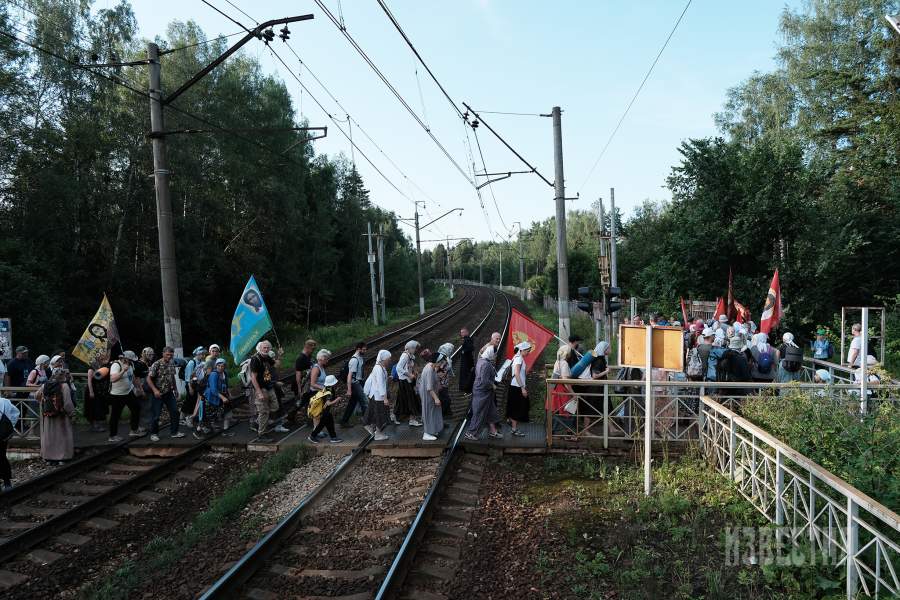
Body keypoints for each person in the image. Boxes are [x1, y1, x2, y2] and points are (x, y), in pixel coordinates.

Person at [37, 366, 76, 463]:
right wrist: (72, 413)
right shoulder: (64, 386)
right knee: (61, 436)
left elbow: (36, 395)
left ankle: (49, 457)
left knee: (49, 436)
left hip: (48, 416)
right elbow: (67, 403)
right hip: (61, 416)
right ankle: (62, 457)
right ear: (62, 376)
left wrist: (44, 403)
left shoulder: (45, 385)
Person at [146, 346, 184, 442]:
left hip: (169, 392)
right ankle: (154, 433)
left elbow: (172, 377)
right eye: (167, 354)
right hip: (158, 393)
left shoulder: (171, 363)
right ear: (163, 354)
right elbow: (148, 379)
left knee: (175, 411)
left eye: (171, 355)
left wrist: (175, 390)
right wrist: (155, 390)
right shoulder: (157, 364)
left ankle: (174, 432)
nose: (169, 356)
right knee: (156, 415)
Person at [464, 345, 501, 441]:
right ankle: (471, 433)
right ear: (491, 353)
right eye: (495, 354)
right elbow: (484, 380)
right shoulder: (486, 364)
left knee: (490, 410)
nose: (495, 356)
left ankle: (493, 431)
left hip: (483, 391)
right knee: (479, 412)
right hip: (482, 392)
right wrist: (493, 385)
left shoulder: (481, 360)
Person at [249, 340, 283, 442]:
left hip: (268, 386)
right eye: (264, 347)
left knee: (275, 406)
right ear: (259, 349)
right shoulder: (256, 359)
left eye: (268, 347)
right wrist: (259, 392)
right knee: (264, 412)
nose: (266, 349)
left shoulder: (267, 357)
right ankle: (261, 435)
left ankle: (257, 422)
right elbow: (253, 378)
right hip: (261, 388)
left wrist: (279, 355)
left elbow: (276, 365)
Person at [419, 343, 453, 441]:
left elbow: (435, 380)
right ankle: (427, 433)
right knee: (429, 412)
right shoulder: (430, 369)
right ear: (437, 361)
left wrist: (439, 386)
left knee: (434, 411)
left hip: (431, 393)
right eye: (440, 362)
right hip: (428, 394)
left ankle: (434, 429)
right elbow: (429, 387)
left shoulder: (431, 366)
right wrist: (436, 398)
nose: (441, 364)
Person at [108, 351, 141, 442]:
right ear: (125, 358)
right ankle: (113, 436)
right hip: (117, 395)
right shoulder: (116, 365)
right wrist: (123, 370)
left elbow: (132, 377)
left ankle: (134, 429)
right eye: (131, 360)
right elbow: (113, 379)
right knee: (115, 415)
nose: (132, 362)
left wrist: (137, 387)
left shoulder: (130, 365)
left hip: (129, 392)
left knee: (136, 408)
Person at [197, 358, 230, 438]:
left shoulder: (224, 373)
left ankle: (216, 431)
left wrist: (228, 394)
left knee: (217, 415)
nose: (221, 367)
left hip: (218, 398)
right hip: (209, 397)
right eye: (219, 366)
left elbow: (226, 385)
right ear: (216, 366)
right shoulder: (214, 374)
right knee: (207, 416)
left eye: (222, 366)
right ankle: (198, 432)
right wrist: (223, 398)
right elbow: (213, 389)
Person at [363, 349, 392, 441]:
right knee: (380, 414)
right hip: (379, 396)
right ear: (384, 359)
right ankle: (378, 434)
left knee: (375, 413)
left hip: (377, 395)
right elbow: (380, 384)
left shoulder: (380, 367)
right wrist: (385, 398)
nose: (390, 360)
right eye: (389, 359)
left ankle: (371, 427)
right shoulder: (379, 368)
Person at [505, 341, 533, 437]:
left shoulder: (517, 357)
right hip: (517, 386)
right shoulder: (519, 359)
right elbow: (516, 373)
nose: (528, 353)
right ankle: (514, 428)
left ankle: (510, 421)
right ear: (522, 350)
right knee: (518, 407)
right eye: (527, 351)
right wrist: (522, 388)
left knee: (519, 406)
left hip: (516, 386)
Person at [306, 375, 343, 444]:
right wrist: (337, 399)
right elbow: (328, 403)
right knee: (322, 425)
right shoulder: (329, 391)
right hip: (324, 411)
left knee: (329, 423)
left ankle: (333, 437)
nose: (336, 383)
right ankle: (312, 436)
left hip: (325, 411)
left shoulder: (327, 388)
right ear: (332, 383)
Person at [339, 342, 368, 428]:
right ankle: (367, 421)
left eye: (365, 349)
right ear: (358, 349)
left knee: (352, 403)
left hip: (359, 382)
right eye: (363, 349)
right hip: (355, 383)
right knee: (365, 401)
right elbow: (349, 376)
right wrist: (349, 389)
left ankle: (344, 421)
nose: (365, 351)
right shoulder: (354, 360)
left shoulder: (360, 358)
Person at [395, 341, 422, 427]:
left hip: (407, 381)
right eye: (415, 348)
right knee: (411, 399)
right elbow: (398, 368)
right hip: (405, 381)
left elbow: (409, 366)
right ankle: (411, 419)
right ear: (410, 348)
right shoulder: (405, 356)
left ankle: (399, 416)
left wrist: (414, 371)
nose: (416, 350)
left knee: (403, 399)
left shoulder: (410, 356)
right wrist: (409, 374)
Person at [86, 351, 112, 433]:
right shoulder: (91, 368)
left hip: (99, 390)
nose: (102, 358)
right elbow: (89, 381)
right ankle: (94, 426)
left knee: (98, 407)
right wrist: (91, 392)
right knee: (92, 408)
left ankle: (97, 425)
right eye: (101, 357)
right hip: (92, 390)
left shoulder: (101, 367)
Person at [181, 346, 207, 428]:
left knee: (191, 400)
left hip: (197, 384)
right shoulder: (192, 363)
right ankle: (188, 418)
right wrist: (190, 388)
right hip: (191, 385)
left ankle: (183, 416)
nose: (203, 356)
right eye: (201, 354)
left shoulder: (201, 362)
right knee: (191, 400)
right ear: (197, 354)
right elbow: (188, 377)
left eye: (204, 354)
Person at [292, 339, 317, 420]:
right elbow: (298, 374)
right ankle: (290, 416)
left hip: (307, 383)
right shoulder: (300, 358)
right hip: (300, 384)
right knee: (300, 403)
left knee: (306, 401)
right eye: (312, 349)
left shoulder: (308, 356)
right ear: (307, 347)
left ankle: (309, 418)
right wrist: (299, 388)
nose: (313, 351)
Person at [0, 394, 20, 491]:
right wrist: (11, 426)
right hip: (3, 436)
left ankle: (6, 483)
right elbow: (16, 412)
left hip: (2, 435)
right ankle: (7, 483)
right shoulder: (5, 402)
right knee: (2, 457)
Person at [133, 347, 154, 433]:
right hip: (141, 388)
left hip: (148, 388)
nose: (151, 356)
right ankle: (141, 425)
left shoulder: (148, 363)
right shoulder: (138, 364)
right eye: (149, 354)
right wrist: (141, 390)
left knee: (148, 406)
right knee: (142, 407)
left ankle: (148, 424)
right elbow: (136, 378)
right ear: (144, 354)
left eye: (152, 354)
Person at [436, 342, 455, 419]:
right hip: (441, 384)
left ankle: (447, 413)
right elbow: (438, 372)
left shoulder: (445, 357)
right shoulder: (441, 359)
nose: (451, 351)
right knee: (445, 399)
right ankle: (441, 416)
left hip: (445, 383)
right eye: (450, 350)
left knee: (444, 398)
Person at [458, 328, 475, 395]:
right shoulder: (467, 339)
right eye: (461, 332)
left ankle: (466, 388)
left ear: (467, 332)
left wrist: (463, 351)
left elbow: (470, 348)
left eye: (463, 332)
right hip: (466, 360)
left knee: (466, 374)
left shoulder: (467, 339)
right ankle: (465, 388)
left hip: (466, 361)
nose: (461, 334)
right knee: (466, 374)